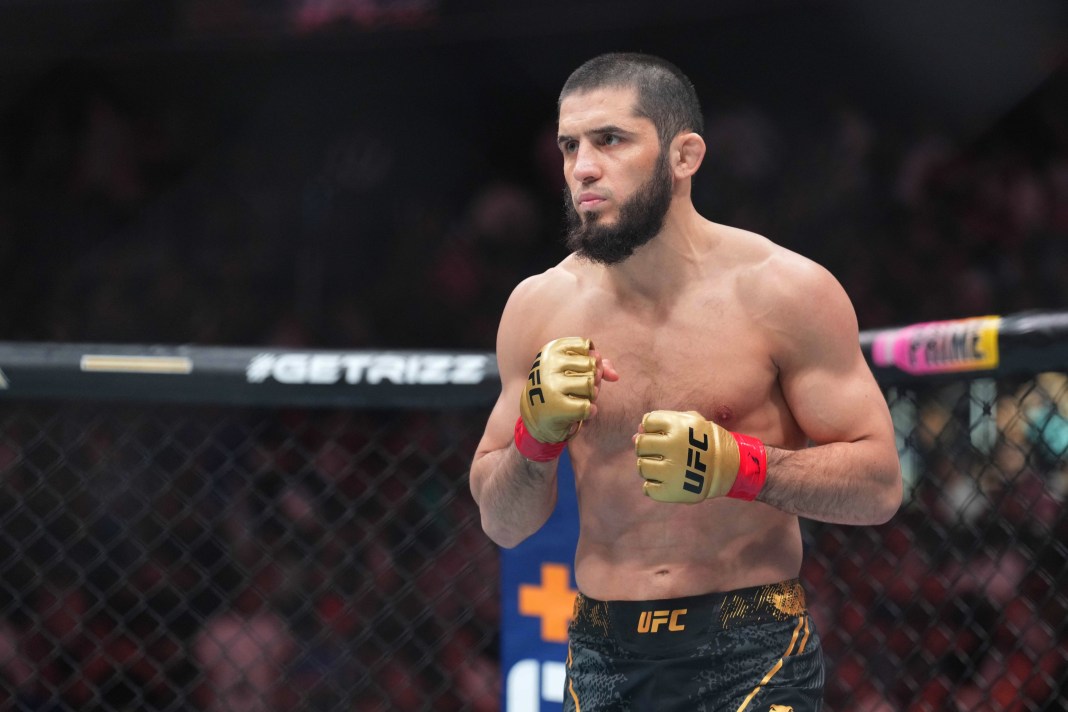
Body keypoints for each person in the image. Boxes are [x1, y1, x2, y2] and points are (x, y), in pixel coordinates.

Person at [468, 52, 903, 711]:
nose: (583, 167)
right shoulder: (538, 309)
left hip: (752, 645)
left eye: (610, 140)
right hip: (603, 651)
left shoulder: (785, 292)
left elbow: (878, 487)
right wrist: (535, 435)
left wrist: (740, 467)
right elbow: (503, 523)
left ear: (685, 155)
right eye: (570, 145)